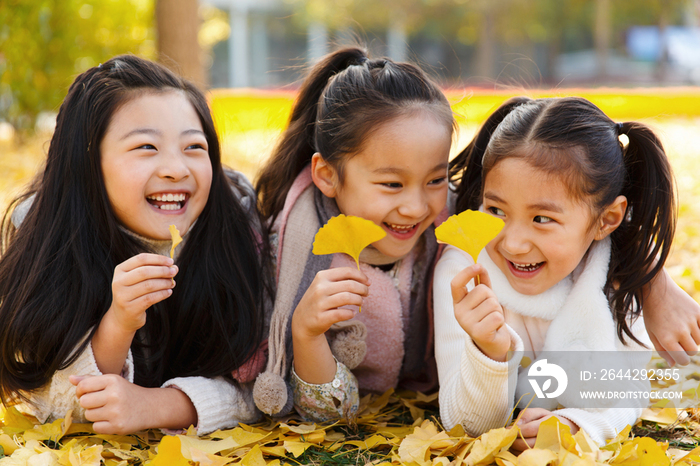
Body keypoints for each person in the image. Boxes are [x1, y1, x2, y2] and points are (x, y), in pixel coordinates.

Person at [0, 55, 268, 435]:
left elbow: (267, 385)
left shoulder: (238, 223)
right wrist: (119, 321)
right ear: (89, 164)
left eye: (194, 147)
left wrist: (157, 406)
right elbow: (48, 395)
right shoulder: (45, 236)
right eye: (146, 147)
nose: (176, 168)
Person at [433, 96, 676, 448]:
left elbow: (629, 391)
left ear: (606, 220)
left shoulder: (619, 275)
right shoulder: (463, 274)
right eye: (496, 210)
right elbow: (463, 423)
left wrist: (579, 425)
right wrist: (489, 353)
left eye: (542, 219)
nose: (513, 244)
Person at [252, 46, 455, 421]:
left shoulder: (454, 235)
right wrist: (307, 334)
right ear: (327, 176)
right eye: (392, 184)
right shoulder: (287, 251)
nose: (416, 206)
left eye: (436, 179)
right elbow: (329, 414)